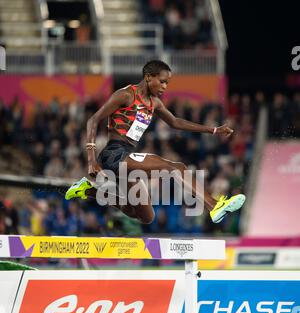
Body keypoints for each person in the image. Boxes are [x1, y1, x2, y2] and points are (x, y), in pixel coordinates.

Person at [65, 60, 245, 225]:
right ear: (148, 77)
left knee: (144, 216)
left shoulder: (155, 103)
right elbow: (93, 120)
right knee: (177, 168)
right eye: (162, 81)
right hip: (114, 154)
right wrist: (91, 160)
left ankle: (88, 190)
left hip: (127, 160)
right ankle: (213, 205)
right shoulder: (126, 95)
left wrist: (213, 130)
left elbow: (176, 122)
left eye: (167, 83)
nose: (165, 87)